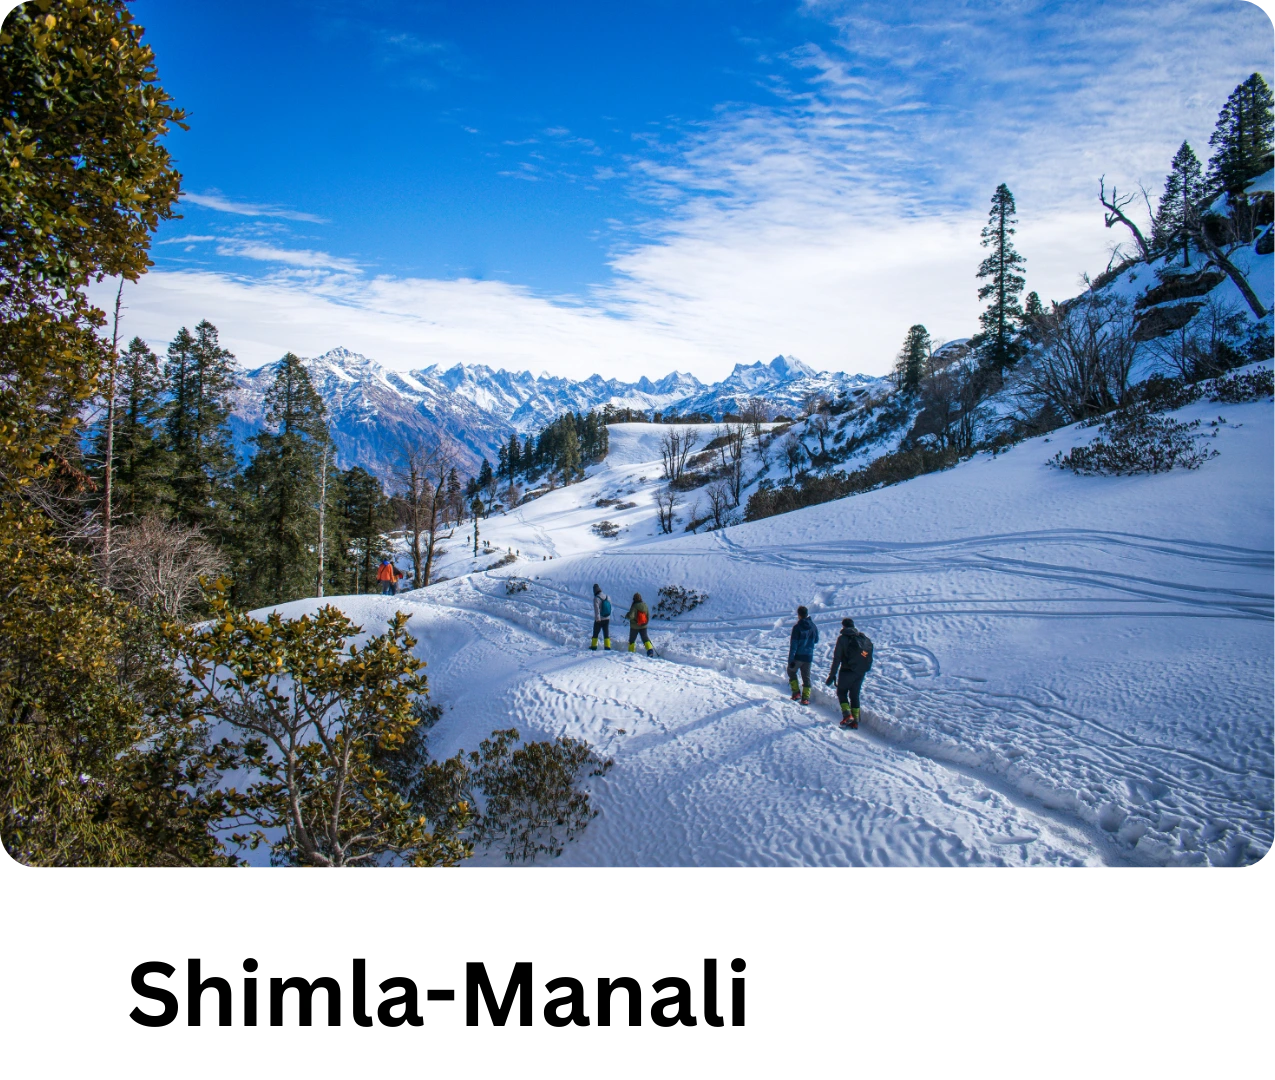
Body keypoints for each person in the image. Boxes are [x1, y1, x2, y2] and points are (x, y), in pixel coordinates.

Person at [826, 618, 873, 729]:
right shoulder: (862, 638)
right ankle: (855, 720)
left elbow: (837, 659)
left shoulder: (842, 639)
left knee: (841, 692)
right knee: (854, 695)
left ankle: (847, 715)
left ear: (843, 626)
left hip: (847, 670)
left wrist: (832, 675)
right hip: (860, 671)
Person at [787, 605, 819, 705]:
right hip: (809, 656)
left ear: (799, 615)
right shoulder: (813, 626)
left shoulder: (797, 628)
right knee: (806, 677)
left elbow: (794, 645)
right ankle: (805, 698)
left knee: (791, 671)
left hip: (798, 656)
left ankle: (796, 693)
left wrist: (791, 660)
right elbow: (816, 640)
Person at [623, 592, 655, 656]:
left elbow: (631, 616)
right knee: (645, 639)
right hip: (643, 625)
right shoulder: (645, 605)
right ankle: (650, 651)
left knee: (632, 640)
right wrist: (645, 623)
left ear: (634, 599)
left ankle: (631, 653)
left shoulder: (634, 606)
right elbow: (648, 615)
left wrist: (627, 615)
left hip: (635, 626)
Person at [591, 584, 613, 651]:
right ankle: (607, 647)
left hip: (600, 619)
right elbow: (610, 606)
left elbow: (596, 610)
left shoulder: (596, 598)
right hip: (607, 618)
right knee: (606, 633)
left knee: (595, 633)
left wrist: (598, 619)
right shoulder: (607, 597)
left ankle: (593, 647)